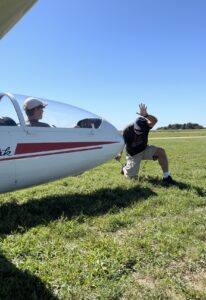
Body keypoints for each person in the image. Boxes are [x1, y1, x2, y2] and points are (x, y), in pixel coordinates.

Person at [115, 103, 175, 184]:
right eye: (137, 131)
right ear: (134, 126)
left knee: (161, 151)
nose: (139, 133)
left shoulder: (146, 125)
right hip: (133, 154)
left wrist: (146, 115)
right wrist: (119, 154)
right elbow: (122, 143)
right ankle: (125, 168)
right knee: (131, 177)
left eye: (141, 131)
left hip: (144, 149)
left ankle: (166, 177)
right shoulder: (127, 129)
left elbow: (155, 121)